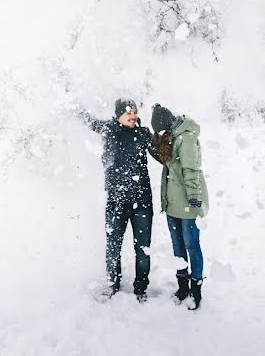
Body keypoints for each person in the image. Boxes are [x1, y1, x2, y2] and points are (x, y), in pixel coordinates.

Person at [79, 99, 161, 303]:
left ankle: (141, 288)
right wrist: (73, 105)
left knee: (143, 248)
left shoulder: (143, 134)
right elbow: (89, 120)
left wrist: (171, 136)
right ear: (118, 115)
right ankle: (112, 283)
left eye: (134, 111)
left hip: (141, 202)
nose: (133, 115)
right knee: (113, 245)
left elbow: (161, 156)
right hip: (116, 201)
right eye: (128, 112)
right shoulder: (108, 129)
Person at [151, 103, 209, 310]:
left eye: (160, 130)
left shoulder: (187, 137)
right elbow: (169, 166)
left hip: (186, 203)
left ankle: (196, 290)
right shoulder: (171, 136)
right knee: (178, 247)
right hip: (172, 204)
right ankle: (182, 287)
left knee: (192, 246)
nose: (160, 134)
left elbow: (191, 170)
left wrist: (194, 196)